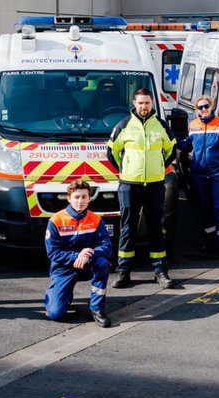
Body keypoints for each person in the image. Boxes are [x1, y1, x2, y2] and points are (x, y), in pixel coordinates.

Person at [107, 88, 176, 289]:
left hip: (155, 184)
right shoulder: (124, 125)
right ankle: (123, 272)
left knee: (156, 227)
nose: (143, 107)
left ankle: (160, 271)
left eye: (147, 103)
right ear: (134, 104)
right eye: (140, 103)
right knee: (128, 228)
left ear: (152, 103)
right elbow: (112, 152)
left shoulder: (161, 126)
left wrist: (160, 165)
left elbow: (171, 149)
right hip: (129, 185)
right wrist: (124, 168)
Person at [45, 180, 114, 328]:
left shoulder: (96, 219)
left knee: (102, 263)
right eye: (76, 197)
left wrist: (89, 253)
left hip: (88, 263)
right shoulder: (56, 220)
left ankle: (96, 309)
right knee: (55, 314)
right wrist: (76, 256)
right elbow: (53, 253)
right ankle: (62, 294)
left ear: (89, 198)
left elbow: (107, 247)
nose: (80, 201)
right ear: (69, 198)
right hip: (64, 267)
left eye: (84, 197)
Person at [184, 95, 219, 258]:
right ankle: (209, 244)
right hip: (199, 176)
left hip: (217, 175)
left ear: (212, 106)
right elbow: (187, 145)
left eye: (206, 106)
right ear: (196, 110)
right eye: (200, 107)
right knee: (206, 211)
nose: (204, 110)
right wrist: (173, 141)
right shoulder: (193, 126)